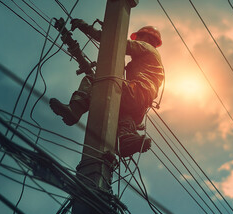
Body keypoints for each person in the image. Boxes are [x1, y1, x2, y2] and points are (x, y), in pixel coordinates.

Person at [49, 19, 164, 158]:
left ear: (147, 38)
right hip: (140, 104)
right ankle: (126, 140)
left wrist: (84, 26)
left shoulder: (146, 47)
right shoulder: (151, 61)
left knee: (96, 80)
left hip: (137, 91)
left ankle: (75, 109)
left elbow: (115, 42)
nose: (136, 40)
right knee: (123, 113)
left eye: (138, 37)